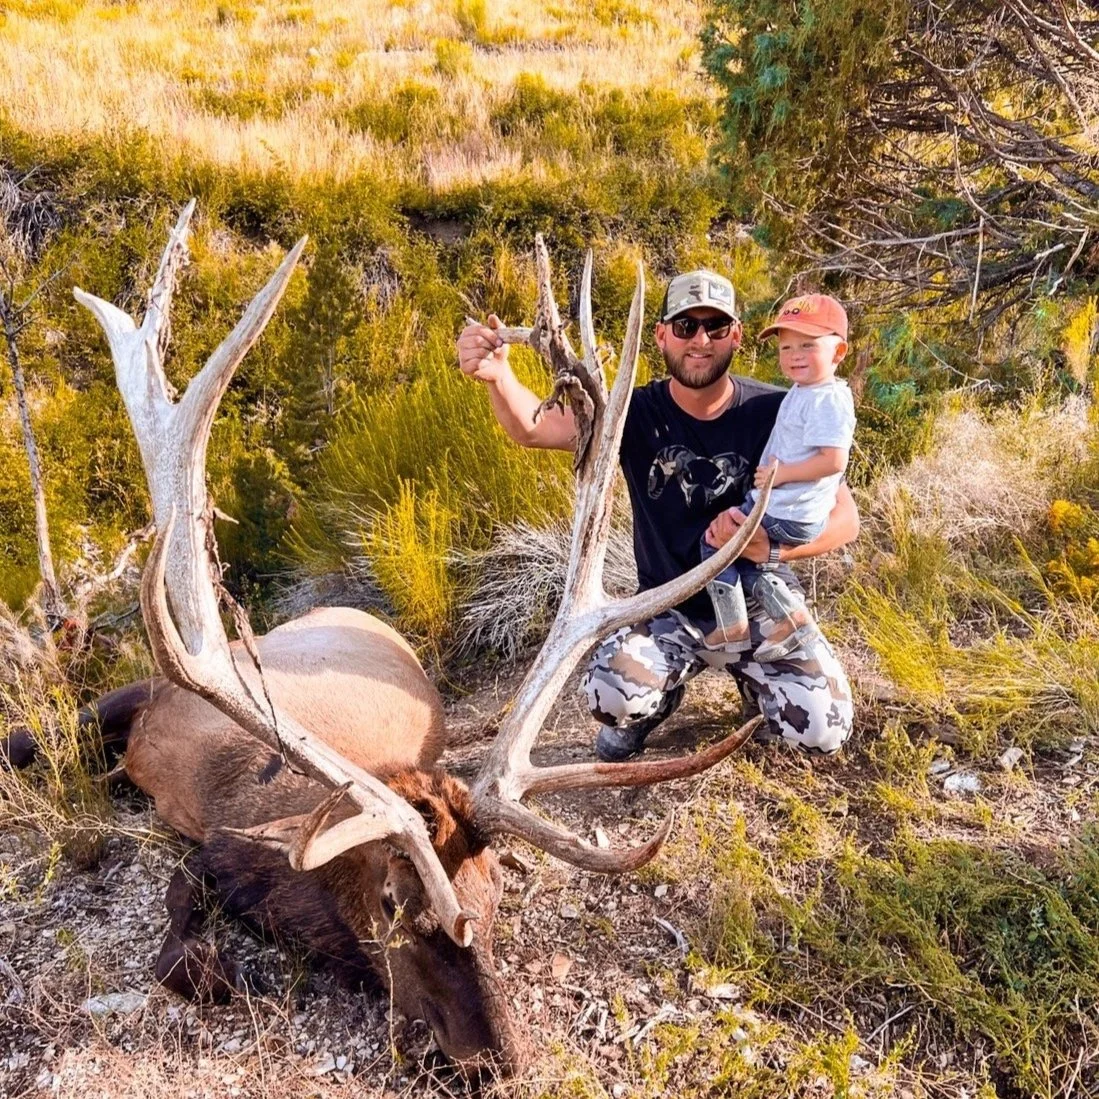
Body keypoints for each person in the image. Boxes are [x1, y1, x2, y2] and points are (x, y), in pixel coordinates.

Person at [456, 269, 857, 762]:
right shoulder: (633, 412)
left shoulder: (780, 410)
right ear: (661, 335)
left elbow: (845, 519)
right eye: (685, 326)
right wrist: (501, 376)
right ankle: (658, 699)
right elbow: (535, 429)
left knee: (823, 731)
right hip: (668, 607)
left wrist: (769, 547)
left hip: (759, 609)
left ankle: (758, 686)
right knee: (610, 696)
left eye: (715, 326)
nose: (700, 340)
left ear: (736, 335)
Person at [699, 293, 855, 663]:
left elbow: (833, 461)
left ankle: (734, 625)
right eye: (786, 347)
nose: (795, 355)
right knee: (746, 559)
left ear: (838, 352)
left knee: (715, 544)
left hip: (788, 510)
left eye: (807, 345)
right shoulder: (806, 392)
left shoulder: (828, 399)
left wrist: (781, 474)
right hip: (780, 503)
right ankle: (788, 617)